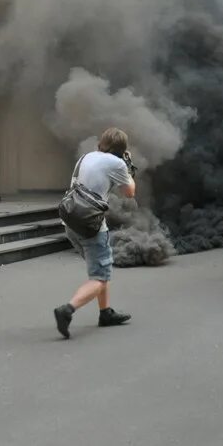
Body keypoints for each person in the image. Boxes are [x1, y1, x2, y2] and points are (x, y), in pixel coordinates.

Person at [54, 127, 136, 339]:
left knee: (101, 268)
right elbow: (130, 193)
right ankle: (67, 310)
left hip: (70, 221)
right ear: (122, 149)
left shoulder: (86, 156)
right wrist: (127, 167)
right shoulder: (117, 163)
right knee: (99, 276)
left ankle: (105, 313)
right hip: (90, 225)